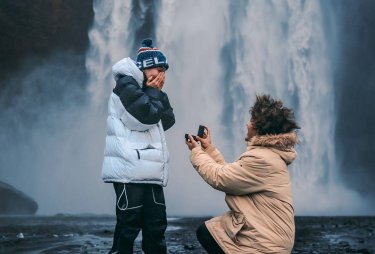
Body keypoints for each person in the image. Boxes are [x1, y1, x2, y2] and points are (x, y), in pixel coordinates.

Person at [185, 94, 300, 254]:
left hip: (267, 242)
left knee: (206, 232)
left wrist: (196, 151)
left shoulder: (262, 159)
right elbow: (233, 177)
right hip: (272, 236)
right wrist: (208, 149)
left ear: (261, 128)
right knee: (209, 231)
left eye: (252, 121)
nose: (247, 124)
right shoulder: (268, 155)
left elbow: (220, 178)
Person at [102, 38, 175, 254]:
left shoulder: (150, 91)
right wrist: (154, 94)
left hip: (151, 172)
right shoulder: (126, 85)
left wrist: (158, 93)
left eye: (164, 70)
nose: (161, 75)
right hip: (129, 172)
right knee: (128, 227)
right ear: (143, 67)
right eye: (157, 68)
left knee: (156, 226)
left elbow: (168, 120)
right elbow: (145, 117)